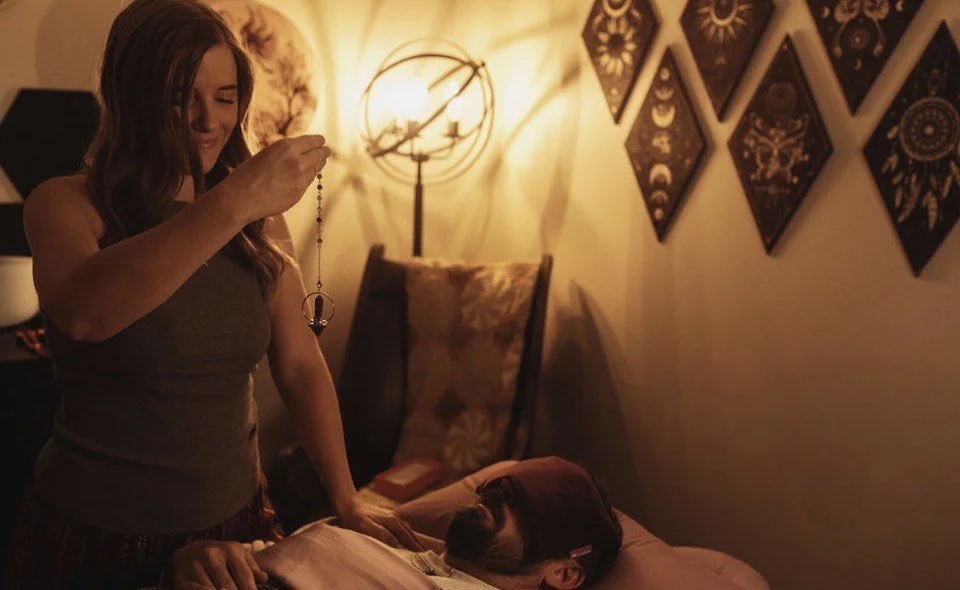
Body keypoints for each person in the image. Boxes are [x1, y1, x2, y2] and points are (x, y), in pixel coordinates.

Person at [2, 1, 422, 588]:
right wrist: (235, 202)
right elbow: (84, 314)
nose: (207, 120)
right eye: (181, 95)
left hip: (238, 526)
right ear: (131, 95)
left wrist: (346, 497)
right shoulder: (67, 203)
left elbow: (299, 364)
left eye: (225, 98)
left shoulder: (257, 219)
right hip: (97, 536)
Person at [248, 456, 624, 590]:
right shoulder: (392, 543)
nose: (488, 495)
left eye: (524, 501)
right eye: (496, 486)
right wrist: (207, 558)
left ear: (565, 574)